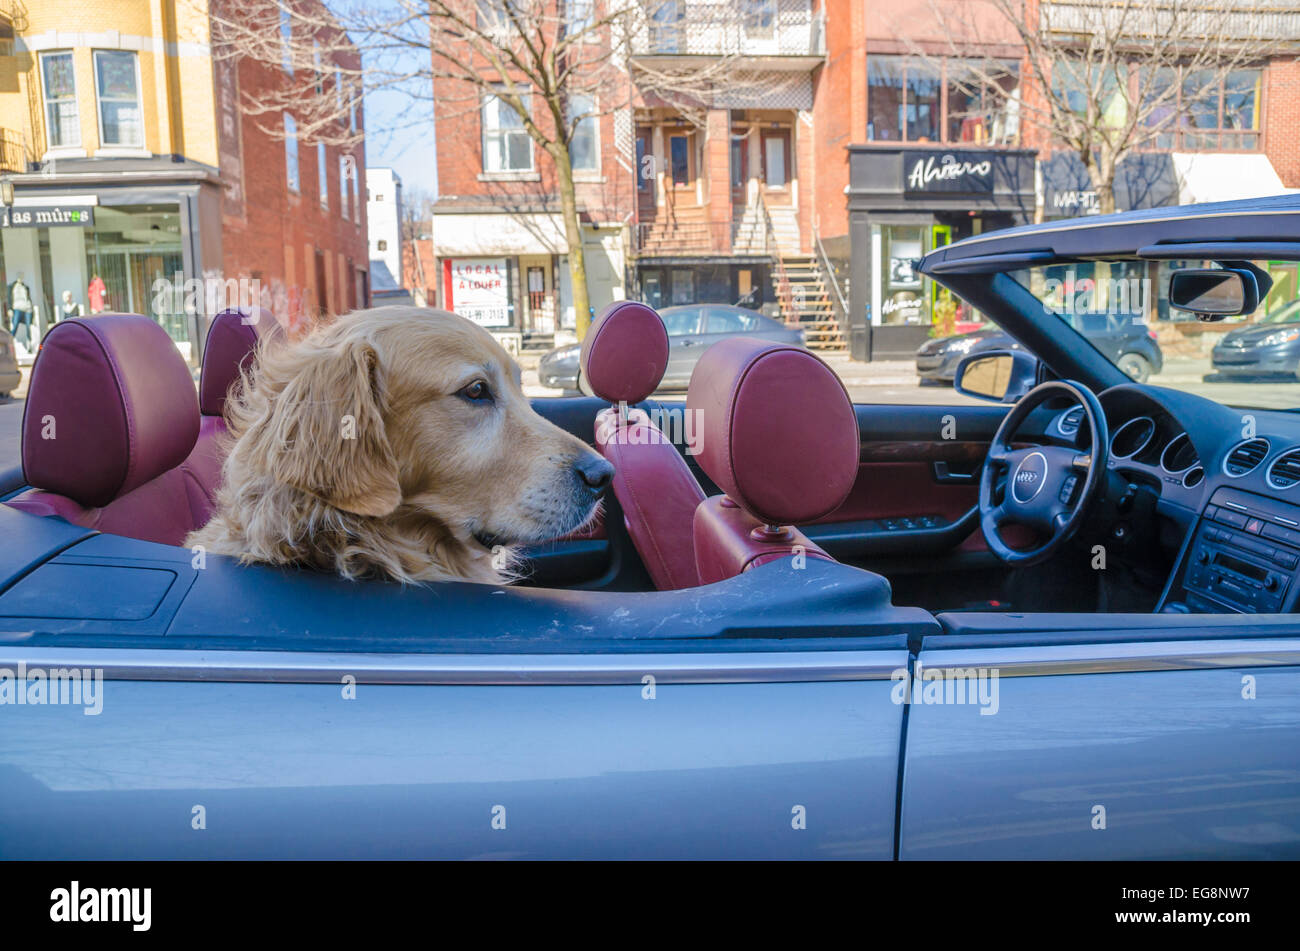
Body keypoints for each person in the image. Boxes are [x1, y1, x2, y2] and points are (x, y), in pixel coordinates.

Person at [7, 274, 33, 348]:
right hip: (17, 307)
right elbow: (9, 298)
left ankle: (29, 345)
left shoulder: (25, 287)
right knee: (15, 325)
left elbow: (28, 298)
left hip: (27, 308)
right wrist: (9, 308)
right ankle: (9, 341)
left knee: (29, 327)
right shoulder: (12, 287)